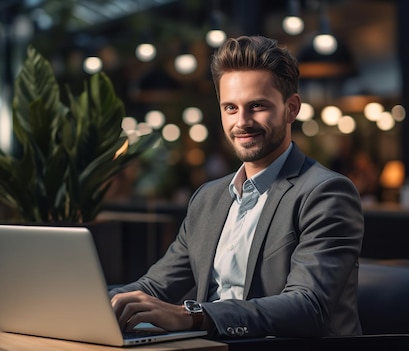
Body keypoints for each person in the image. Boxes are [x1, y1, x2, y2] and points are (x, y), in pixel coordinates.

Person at [110, 36, 364, 339]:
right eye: (230, 107)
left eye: (256, 106)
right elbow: (154, 287)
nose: (241, 122)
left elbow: (308, 306)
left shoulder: (327, 193)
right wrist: (94, 302)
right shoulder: (208, 198)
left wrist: (193, 316)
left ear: (291, 108)